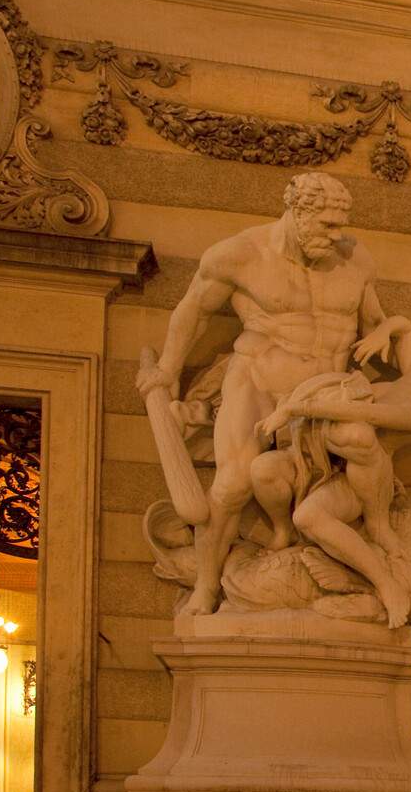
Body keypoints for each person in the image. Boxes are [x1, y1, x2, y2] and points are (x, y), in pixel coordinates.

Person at [137, 173, 388, 617]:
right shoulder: (240, 255)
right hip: (258, 378)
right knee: (231, 484)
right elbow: (192, 312)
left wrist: (395, 340)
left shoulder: (354, 259)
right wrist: (167, 372)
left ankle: (358, 555)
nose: (337, 235)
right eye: (327, 225)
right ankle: (206, 589)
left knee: (349, 466)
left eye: (340, 224)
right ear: (297, 213)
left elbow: (374, 322)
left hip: (325, 392)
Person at [251, 317, 411, 627]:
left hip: (366, 474)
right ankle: (281, 531)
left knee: (315, 508)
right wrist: (384, 332)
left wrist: (293, 409)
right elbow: (406, 328)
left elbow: (365, 414)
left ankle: (386, 585)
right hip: (322, 455)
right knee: (262, 471)